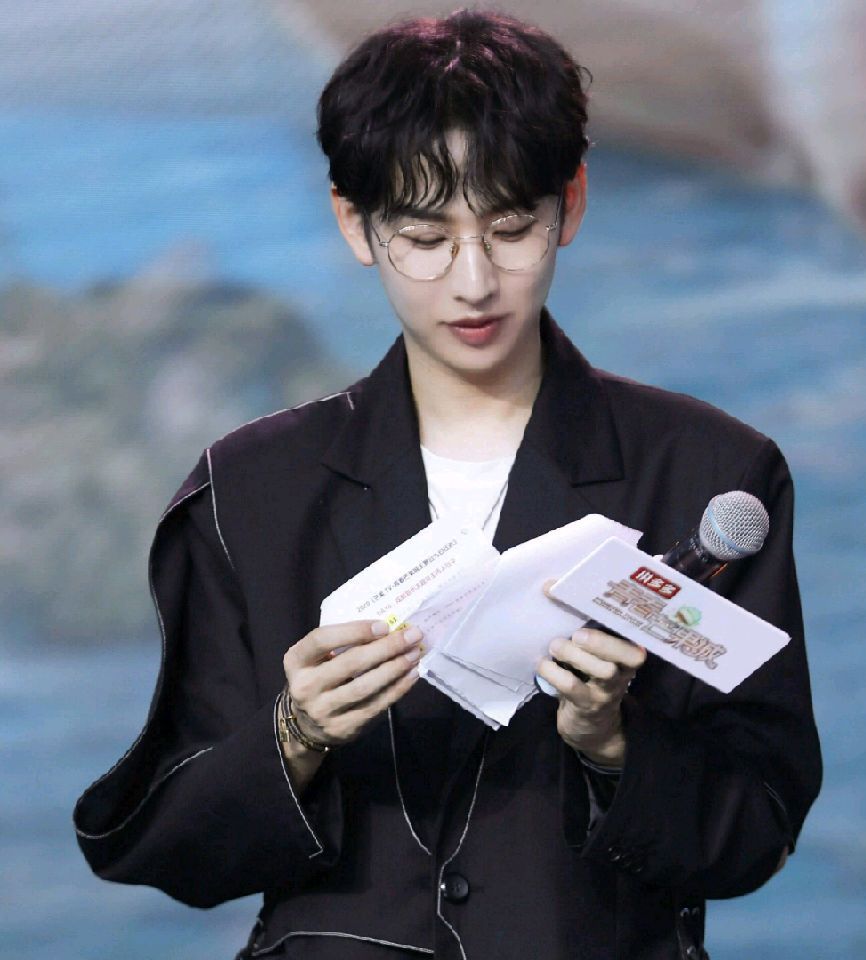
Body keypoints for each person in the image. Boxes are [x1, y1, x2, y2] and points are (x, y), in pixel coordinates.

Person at [74, 11, 822, 960]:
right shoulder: (248, 490)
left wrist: (613, 742)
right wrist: (295, 734)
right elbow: (160, 841)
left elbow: (760, 827)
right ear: (355, 222)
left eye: (510, 229)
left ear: (571, 203)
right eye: (425, 238)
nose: (474, 282)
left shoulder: (712, 476)